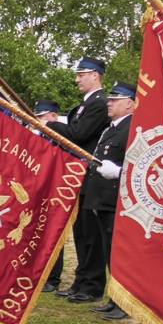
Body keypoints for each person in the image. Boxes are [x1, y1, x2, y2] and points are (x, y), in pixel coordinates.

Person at [49, 57, 111, 303]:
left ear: (95, 75)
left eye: (81, 75)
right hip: (79, 177)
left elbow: (79, 134)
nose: (77, 80)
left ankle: (92, 285)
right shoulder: (86, 104)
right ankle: (81, 281)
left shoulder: (99, 103)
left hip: (91, 177)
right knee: (81, 233)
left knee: (91, 235)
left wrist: (51, 124)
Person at [84, 82, 135, 321]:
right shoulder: (110, 128)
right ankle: (114, 299)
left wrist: (119, 172)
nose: (109, 103)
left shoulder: (132, 128)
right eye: (110, 99)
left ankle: (124, 303)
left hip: (117, 201)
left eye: (116, 100)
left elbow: (137, 166)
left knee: (119, 256)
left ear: (130, 104)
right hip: (102, 200)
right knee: (109, 253)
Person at [34, 99, 65, 292]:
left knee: (52, 233)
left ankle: (53, 277)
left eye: (42, 116)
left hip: (56, 191)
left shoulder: (62, 136)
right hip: (38, 190)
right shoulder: (38, 135)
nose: (38, 120)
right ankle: (39, 273)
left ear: (53, 116)